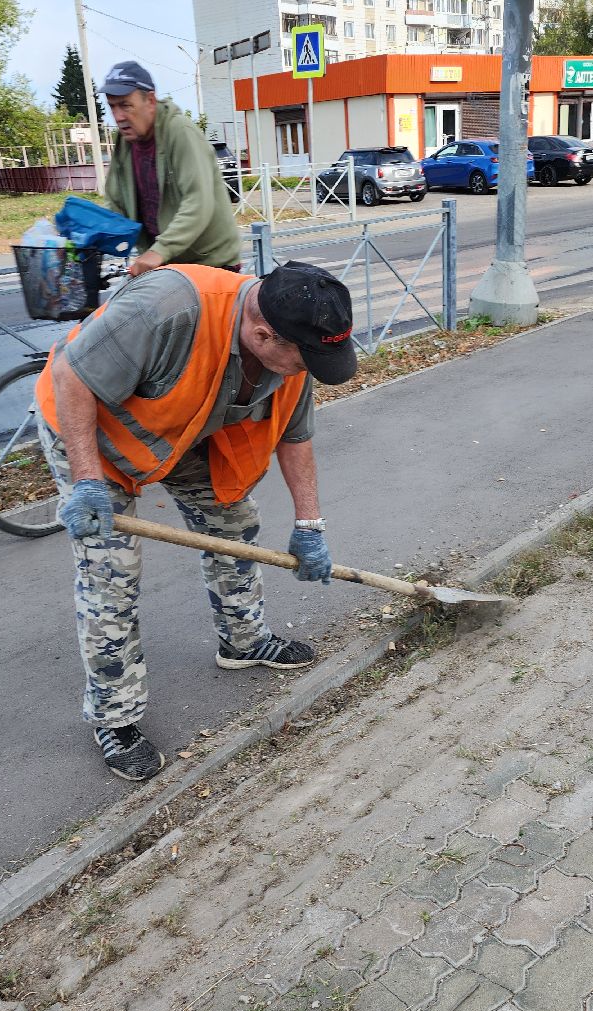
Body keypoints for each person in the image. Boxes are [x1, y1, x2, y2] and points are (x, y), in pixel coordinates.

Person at [34, 260, 357, 781]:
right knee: (111, 574)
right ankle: (115, 718)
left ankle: (244, 640)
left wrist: (310, 525)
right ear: (262, 335)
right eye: (305, 360)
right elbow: (72, 376)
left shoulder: (292, 349)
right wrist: (88, 481)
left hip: (183, 431)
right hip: (91, 436)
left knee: (233, 524)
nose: (307, 370)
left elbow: (295, 436)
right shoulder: (168, 307)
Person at [98, 61, 241, 276]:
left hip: (209, 264)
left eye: (126, 105)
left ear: (150, 101)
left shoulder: (180, 131)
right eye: (112, 106)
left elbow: (198, 201)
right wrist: (91, 231)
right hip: (166, 266)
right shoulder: (126, 142)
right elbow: (116, 203)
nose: (118, 117)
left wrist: (159, 251)